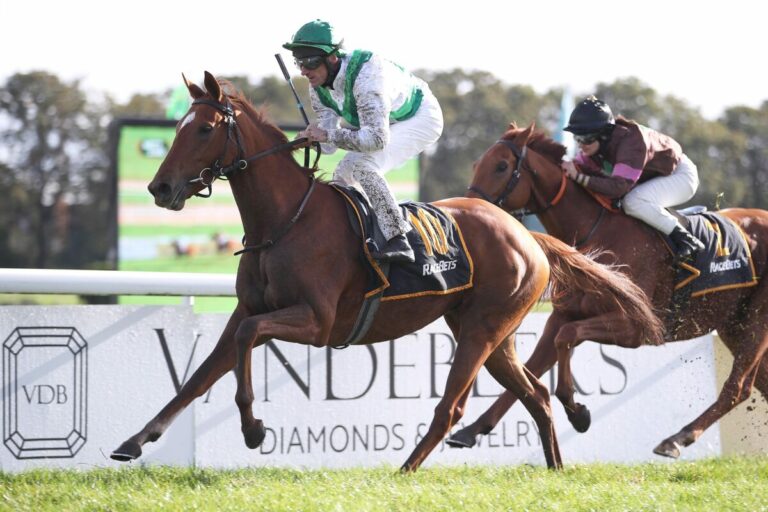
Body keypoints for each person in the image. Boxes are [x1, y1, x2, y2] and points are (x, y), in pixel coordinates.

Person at [283, 19, 444, 263]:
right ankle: (356, 239)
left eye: (310, 62)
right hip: (386, 122)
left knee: (363, 167)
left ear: (333, 58)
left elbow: (377, 140)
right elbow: (328, 146)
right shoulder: (318, 87)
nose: (304, 71)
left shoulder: (367, 79)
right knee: (342, 174)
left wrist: (326, 135)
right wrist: (312, 138)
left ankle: (398, 237)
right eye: (299, 62)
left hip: (420, 117)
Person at [561, 96, 705, 261]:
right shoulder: (595, 148)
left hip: (681, 177)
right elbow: (575, 168)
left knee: (632, 201)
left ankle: (686, 240)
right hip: (655, 178)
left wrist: (579, 177)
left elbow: (618, 187)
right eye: (577, 138)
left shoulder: (631, 142)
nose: (581, 144)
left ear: (604, 134)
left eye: (586, 138)